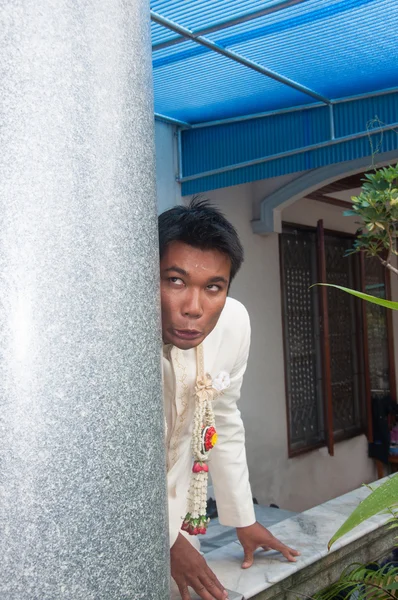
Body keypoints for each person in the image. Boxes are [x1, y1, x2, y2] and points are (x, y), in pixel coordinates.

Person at [159, 199, 299, 600]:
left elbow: (220, 418)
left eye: (213, 287)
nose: (194, 308)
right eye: (176, 281)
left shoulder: (234, 324)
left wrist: (243, 518)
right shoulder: (116, 332)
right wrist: (166, 542)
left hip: (179, 526)